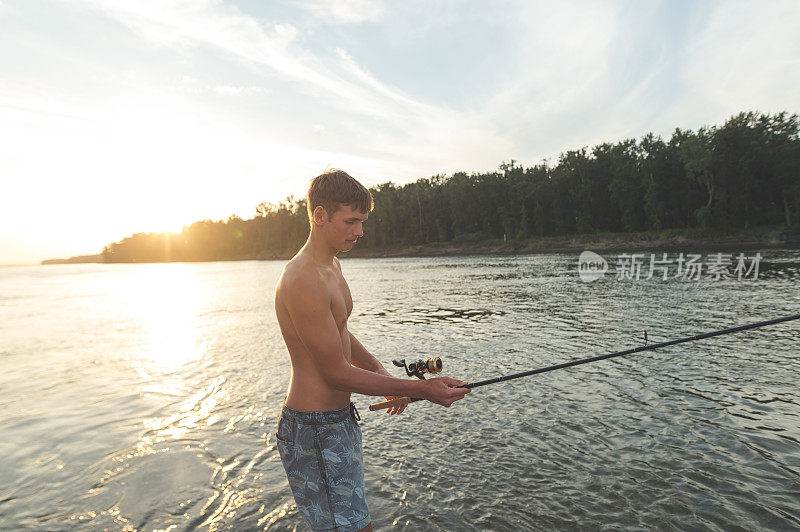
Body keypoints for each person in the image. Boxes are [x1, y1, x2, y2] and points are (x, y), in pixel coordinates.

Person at [274, 169, 470, 531]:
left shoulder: (331, 265)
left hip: (337, 420)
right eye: (351, 221)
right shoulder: (302, 277)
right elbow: (334, 371)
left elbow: (341, 335)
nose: (360, 232)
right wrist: (420, 387)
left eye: (362, 221)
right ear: (319, 216)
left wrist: (384, 374)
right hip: (314, 429)